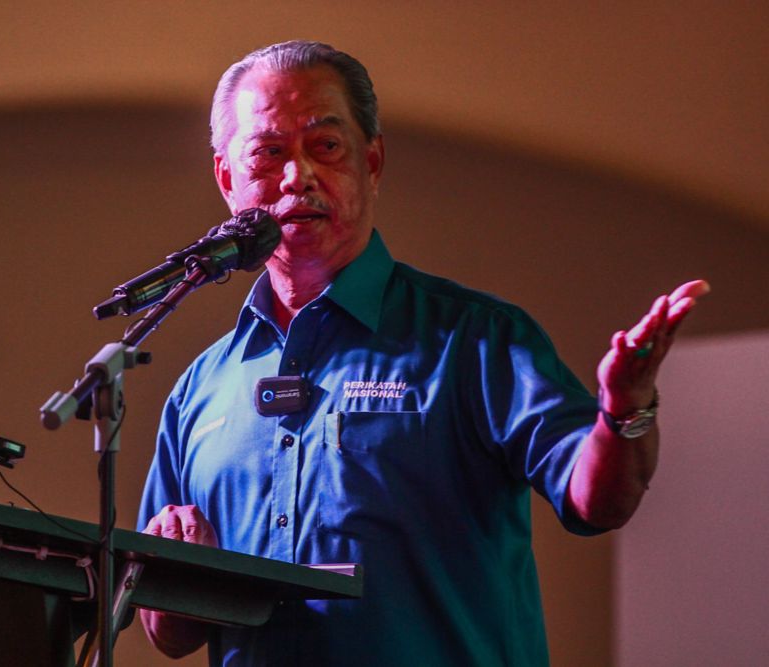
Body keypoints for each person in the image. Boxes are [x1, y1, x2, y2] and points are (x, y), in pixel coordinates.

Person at [136, 40, 709, 666]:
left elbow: (597, 501)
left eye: (325, 146)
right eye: (268, 153)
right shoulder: (202, 387)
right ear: (227, 179)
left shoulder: (476, 338)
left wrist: (625, 411)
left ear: (371, 162)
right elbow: (169, 633)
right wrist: (180, 574)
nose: (298, 176)